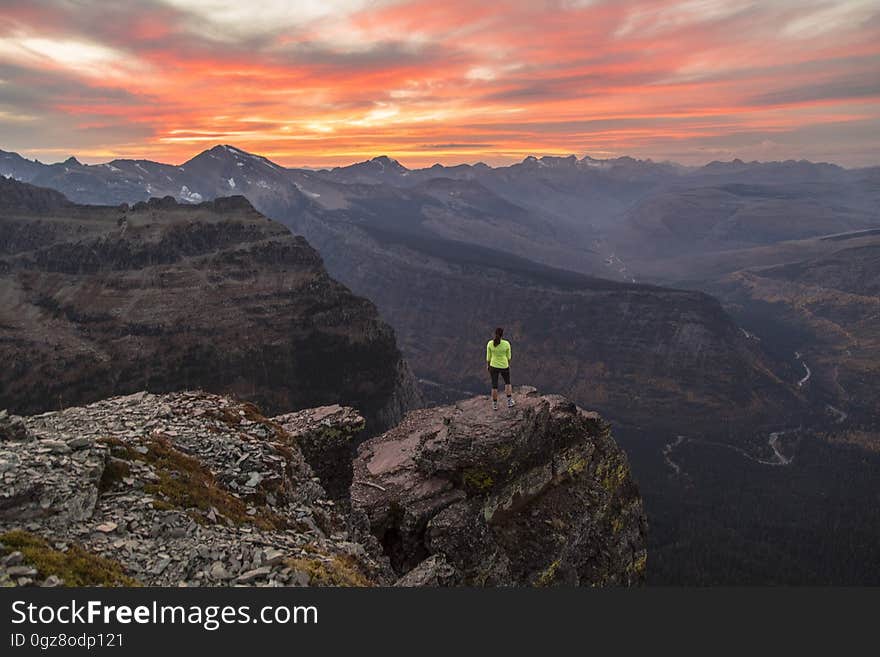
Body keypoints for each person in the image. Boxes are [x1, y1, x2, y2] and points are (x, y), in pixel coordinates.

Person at [486, 327, 514, 410]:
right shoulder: (506, 344)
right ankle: (509, 402)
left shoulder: (490, 343)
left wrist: (488, 365)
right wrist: (507, 364)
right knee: (507, 383)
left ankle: (495, 404)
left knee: (494, 386)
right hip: (504, 366)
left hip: (493, 366)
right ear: (502, 335)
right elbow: (509, 357)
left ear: (495, 334)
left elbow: (488, 357)